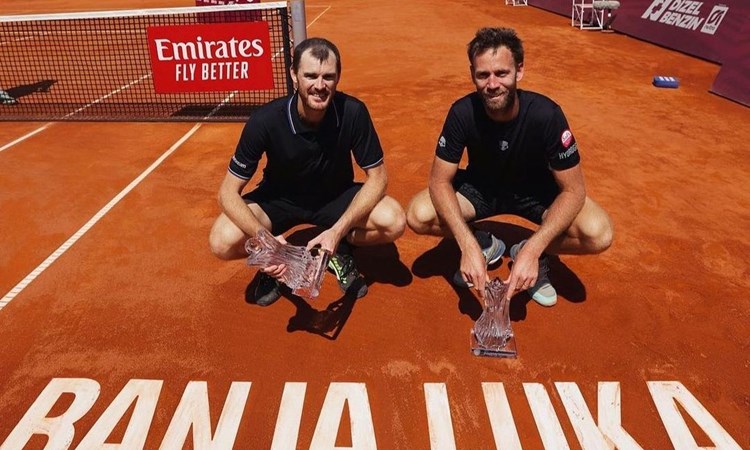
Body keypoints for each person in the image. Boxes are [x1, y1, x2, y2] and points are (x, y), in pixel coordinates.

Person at [406, 27, 613, 306]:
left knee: (598, 233)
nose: (492, 84)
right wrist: (467, 246)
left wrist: (533, 250)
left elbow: (574, 190)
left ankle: (525, 251)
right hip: (481, 189)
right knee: (419, 215)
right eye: (483, 75)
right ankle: (483, 244)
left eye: (501, 73)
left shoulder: (547, 115)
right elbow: (439, 182)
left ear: (519, 71)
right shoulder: (461, 112)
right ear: (473, 75)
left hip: (536, 194)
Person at [210, 37, 405, 306]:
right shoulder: (265, 121)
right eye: (310, 76)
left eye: (328, 77)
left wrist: (338, 231)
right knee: (221, 241)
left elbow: (379, 176)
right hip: (279, 200)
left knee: (393, 220)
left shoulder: (353, 112)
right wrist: (266, 243)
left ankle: (339, 248)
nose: (320, 86)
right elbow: (227, 193)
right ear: (294, 75)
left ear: (338, 78)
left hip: (334, 198)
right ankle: (275, 265)